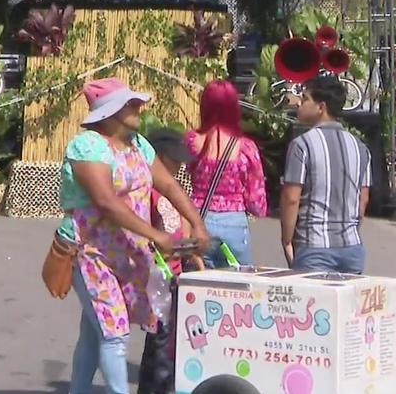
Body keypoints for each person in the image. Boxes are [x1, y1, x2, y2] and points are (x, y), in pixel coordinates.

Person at [61, 78, 209, 394]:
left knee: (94, 330)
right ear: (110, 112)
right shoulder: (88, 146)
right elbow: (106, 202)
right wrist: (156, 234)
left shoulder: (139, 145)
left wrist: (196, 223)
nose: (139, 107)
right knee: (114, 334)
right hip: (93, 254)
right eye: (130, 104)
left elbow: (167, 185)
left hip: (127, 252)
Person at [280, 75, 372, 274]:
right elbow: (362, 199)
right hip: (352, 248)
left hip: (314, 246)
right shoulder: (360, 147)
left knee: (313, 305)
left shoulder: (302, 145)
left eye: (305, 99)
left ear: (321, 107)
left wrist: (287, 239)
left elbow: (291, 198)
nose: (299, 103)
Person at [138, 127, 197, 394]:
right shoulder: (147, 191)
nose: (180, 164)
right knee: (161, 341)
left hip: (174, 273)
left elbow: (180, 226)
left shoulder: (170, 190)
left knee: (165, 340)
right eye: (175, 158)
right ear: (159, 156)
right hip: (157, 276)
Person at [186, 80, 266, 267]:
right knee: (236, 287)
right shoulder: (246, 147)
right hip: (233, 221)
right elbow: (256, 200)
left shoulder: (191, 140)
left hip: (197, 219)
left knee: (198, 283)